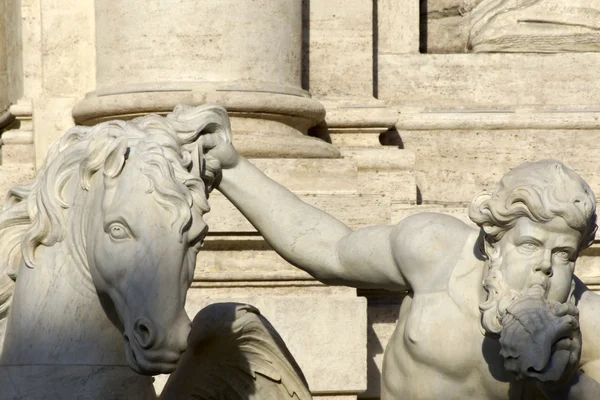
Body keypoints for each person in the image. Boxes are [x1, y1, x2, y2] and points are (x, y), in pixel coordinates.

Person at [199, 133, 600, 399]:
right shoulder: (434, 253)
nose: (545, 268)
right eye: (529, 245)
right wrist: (232, 169)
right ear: (495, 240)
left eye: (563, 254)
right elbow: (328, 251)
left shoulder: (590, 325)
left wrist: (566, 385)